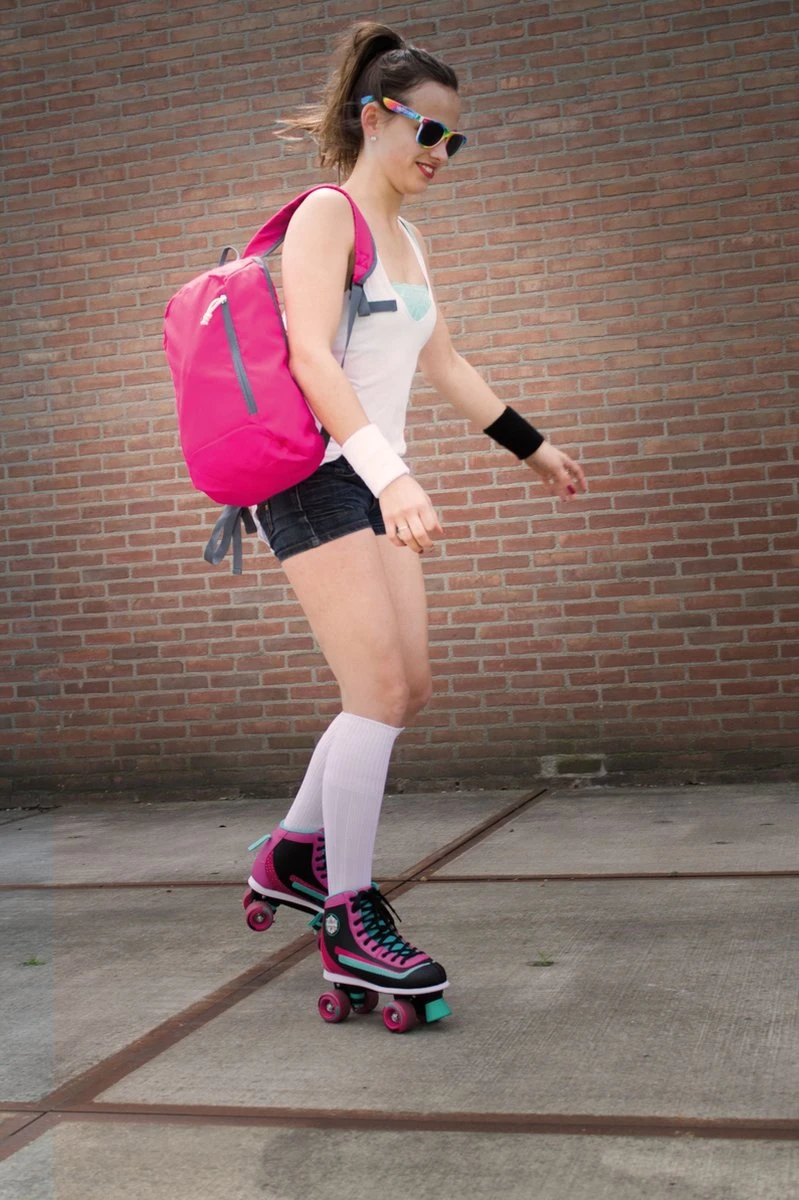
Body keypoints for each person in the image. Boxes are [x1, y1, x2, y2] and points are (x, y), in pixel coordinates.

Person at [242, 21, 586, 1027]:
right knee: (378, 691)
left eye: (454, 139)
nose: (440, 152)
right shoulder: (326, 216)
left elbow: (443, 363)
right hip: (316, 477)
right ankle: (347, 915)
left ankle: (291, 853)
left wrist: (531, 446)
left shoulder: (410, 240)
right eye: (427, 131)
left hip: (369, 478)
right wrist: (392, 479)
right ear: (373, 118)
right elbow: (311, 357)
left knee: (407, 691)